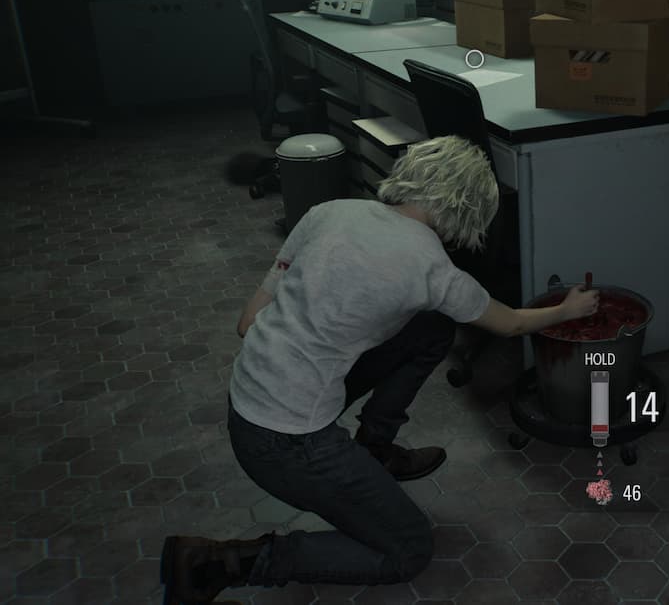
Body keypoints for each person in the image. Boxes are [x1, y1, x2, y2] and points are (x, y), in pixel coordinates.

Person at [160, 135, 599, 604]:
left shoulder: (329, 211)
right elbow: (511, 324)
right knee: (408, 548)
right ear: (468, 212)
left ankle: (374, 448)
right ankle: (220, 562)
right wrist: (568, 310)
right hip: (288, 441)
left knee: (430, 329)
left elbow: (247, 324)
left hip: (247, 397)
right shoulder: (434, 271)